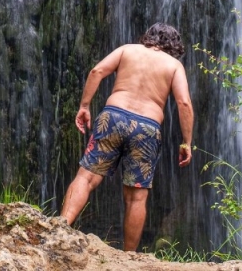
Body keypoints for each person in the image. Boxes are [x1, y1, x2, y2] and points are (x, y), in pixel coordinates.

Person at [60, 23, 194, 252]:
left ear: (149, 37)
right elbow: (183, 102)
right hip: (146, 128)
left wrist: (84, 106)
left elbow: (96, 72)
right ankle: (129, 256)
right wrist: (186, 142)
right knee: (136, 197)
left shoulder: (127, 50)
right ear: (173, 46)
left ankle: (59, 230)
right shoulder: (173, 66)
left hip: (112, 117)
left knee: (85, 178)